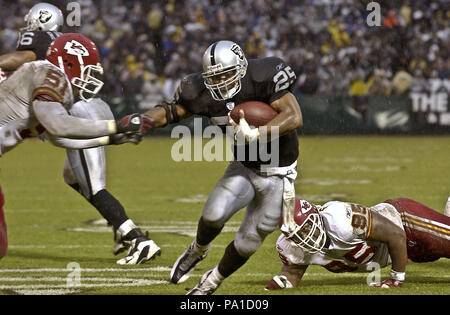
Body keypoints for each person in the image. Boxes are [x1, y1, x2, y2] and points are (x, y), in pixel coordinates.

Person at [0, 3, 161, 264]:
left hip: (79, 112)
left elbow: (24, 61)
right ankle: (121, 227)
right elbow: (56, 133)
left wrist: (114, 130)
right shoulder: (54, 58)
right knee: (73, 177)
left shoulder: (47, 67)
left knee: (94, 186)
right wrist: (112, 134)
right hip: (81, 110)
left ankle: (137, 239)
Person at [143, 40, 302, 294]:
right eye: (213, 77)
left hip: (279, 173)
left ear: (240, 68)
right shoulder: (198, 90)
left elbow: (294, 117)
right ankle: (197, 250)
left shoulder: (264, 75)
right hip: (245, 165)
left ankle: (212, 280)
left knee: (249, 241)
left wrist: (259, 133)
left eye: (226, 74)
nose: (220, 82)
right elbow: (172, 111)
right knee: (213, 214)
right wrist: (143, 121)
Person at [266, 197, 450, 290]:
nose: (305, 237)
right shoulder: (292, 247)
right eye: (296, 235)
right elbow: (292, 273)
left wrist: (396, 279)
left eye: (306, 228)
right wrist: (278, 285)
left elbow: (395, 235)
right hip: (400, 251)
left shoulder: (340, 220)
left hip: (405, 223)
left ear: (316, 216)